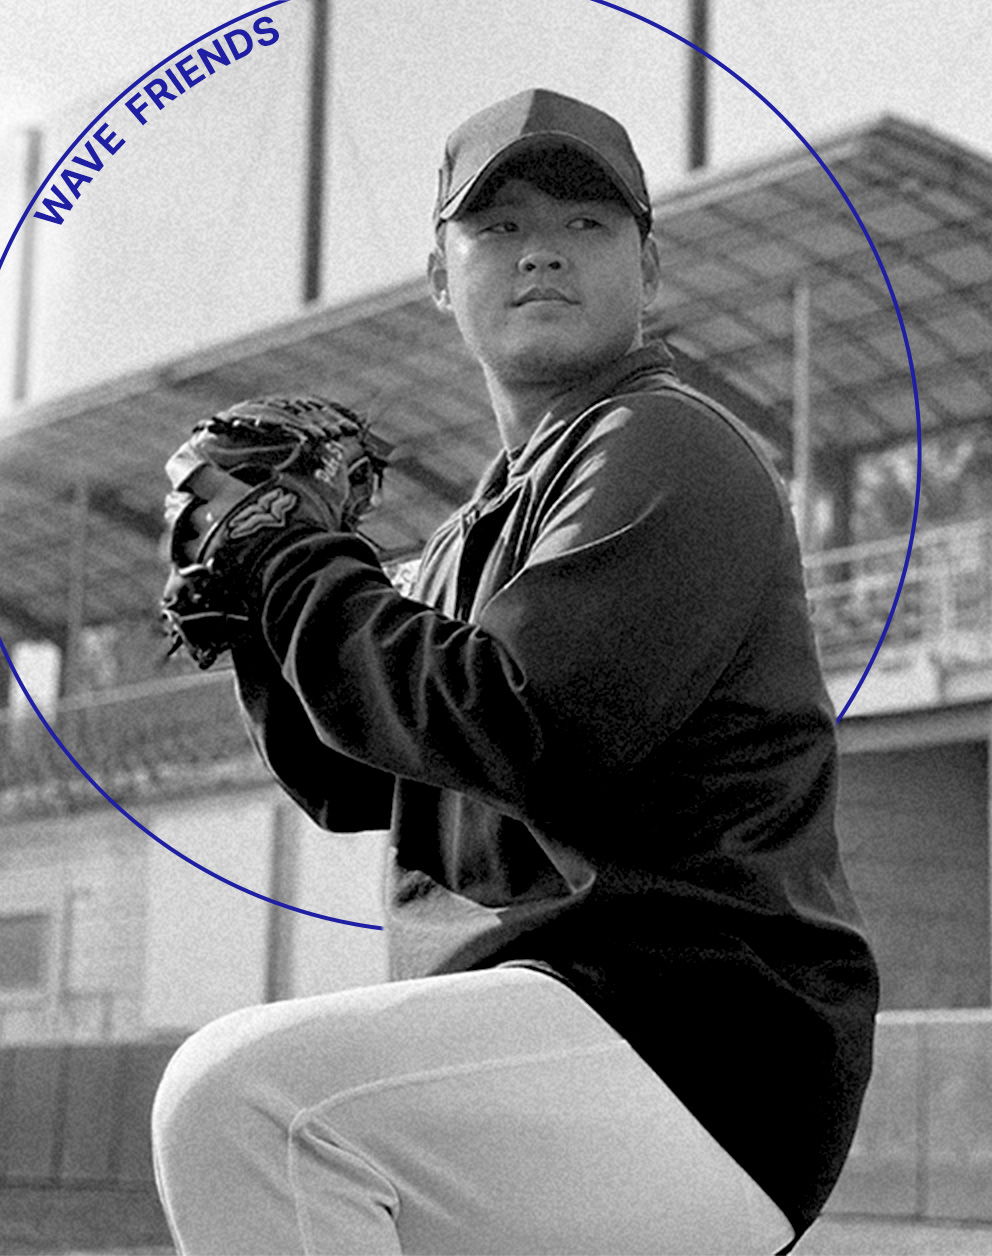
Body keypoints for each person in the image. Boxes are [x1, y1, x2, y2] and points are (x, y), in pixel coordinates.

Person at [151, 88, 879, 1255]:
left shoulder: (660, 439)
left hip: (694, 1039)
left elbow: (522, 723)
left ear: (650, 268)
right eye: (497, 226)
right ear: (441, 276)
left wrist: (289, 563)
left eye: (585, 221)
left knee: (247, 1101)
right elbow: (357, 775)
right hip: (568, 1045)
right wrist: (256, 616)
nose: (541, 248)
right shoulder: (462, 541)